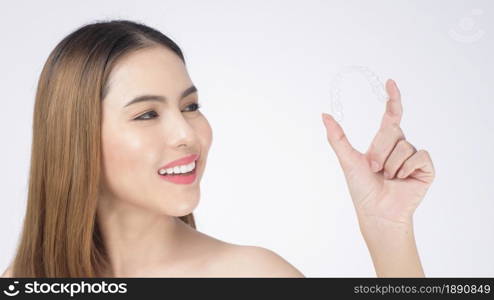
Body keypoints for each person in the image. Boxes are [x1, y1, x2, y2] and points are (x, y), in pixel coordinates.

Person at [2, 20, 434, 278]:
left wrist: (388, 232)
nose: (186, 134)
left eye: (190, 106)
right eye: (147, 114)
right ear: (75, 138)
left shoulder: (252, 277)